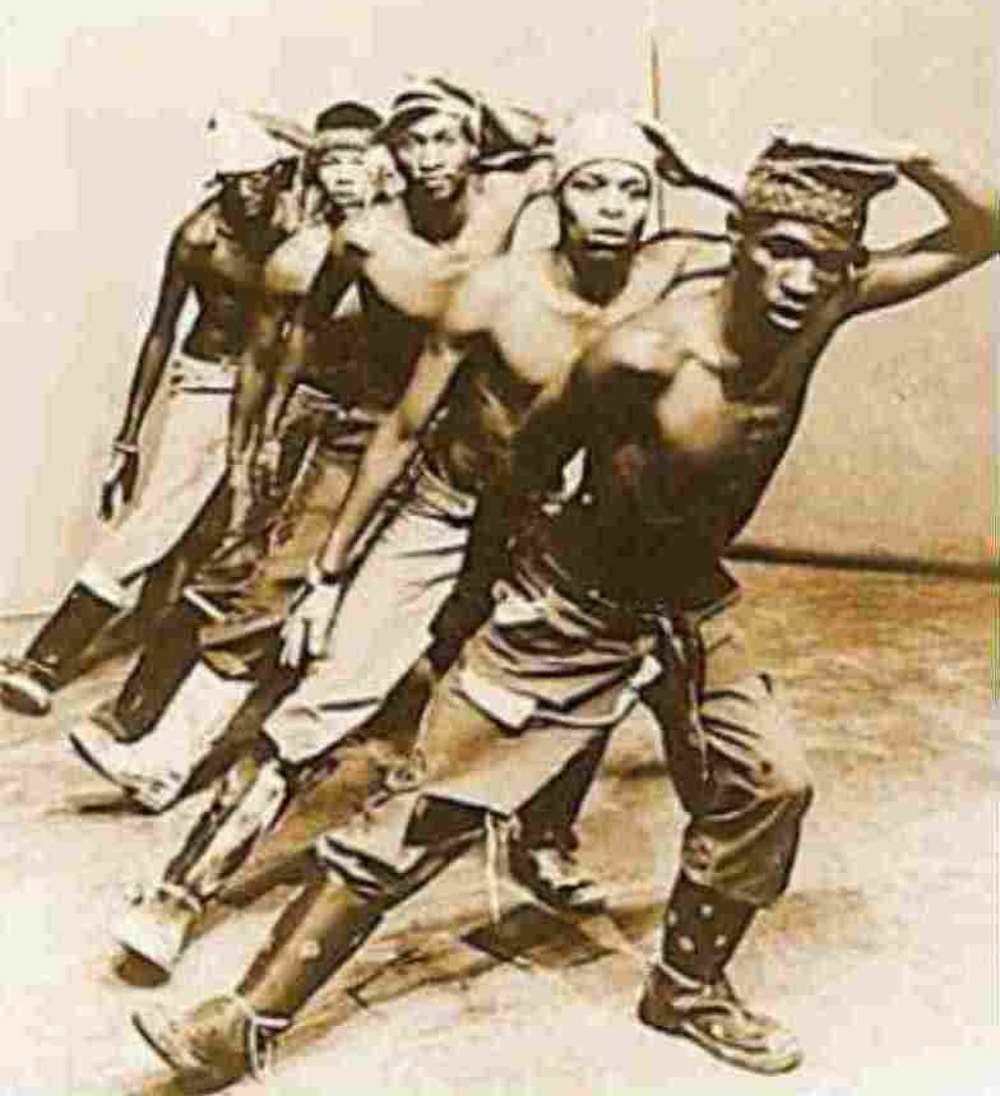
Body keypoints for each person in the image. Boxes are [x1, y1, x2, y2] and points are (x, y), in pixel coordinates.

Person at [131, 132, 996, 1087]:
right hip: (574, 601)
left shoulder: (821, 306)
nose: (801, 280)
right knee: (426, 811)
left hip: (690, 602)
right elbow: (527, 466)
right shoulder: (643, 353)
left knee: (769, 783)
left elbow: (985, 227)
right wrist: (492, 604)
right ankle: (246, 1017)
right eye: (781, 251)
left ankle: (686, 988)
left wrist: (911, 153)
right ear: (738, 240)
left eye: (826, 260)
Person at [96, 79, 562, 974]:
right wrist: (283, 462)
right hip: (409, 458)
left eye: (446, 136)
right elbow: (309, 334)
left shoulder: (519, 206)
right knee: (300, 645)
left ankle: (545, 838)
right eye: (412, 139)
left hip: (516, 487)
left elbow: (554, 139)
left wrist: (476, 102)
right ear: (391, 153)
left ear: (475, 145)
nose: (430, 157)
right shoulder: (368, 237)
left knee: (588, 656)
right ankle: (180, 866)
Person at [0, 113, 307, 718]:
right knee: (160, 523)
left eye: (256, 178)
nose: (245, 192)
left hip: (278, 388)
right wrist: (129, 435)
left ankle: (164, 672)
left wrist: (274, 126)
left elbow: (345, 150)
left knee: (232, 531)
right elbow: (162, 332)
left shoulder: (299, 224)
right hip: (211, 382)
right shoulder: (200, 237)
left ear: (279, 173)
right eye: (233, 180)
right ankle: (45, 659)